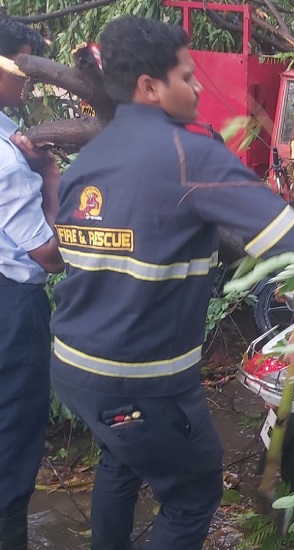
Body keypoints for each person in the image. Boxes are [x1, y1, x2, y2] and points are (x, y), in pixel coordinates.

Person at [49, 17, 294, 550]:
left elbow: (63, 254)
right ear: (149, 87)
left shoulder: (88, 160)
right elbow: (293, 245)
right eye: (187, 77)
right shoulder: (190, 154)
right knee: (192, 492)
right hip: (142, 379)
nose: (196, 88)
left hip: (73, 366)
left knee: (120, 460)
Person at [0, 18, 64, 550]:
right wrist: (51, 177)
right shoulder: (7, 159)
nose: (28, 81)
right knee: (14, 438)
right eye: (21, 65)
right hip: (11, 308)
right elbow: (50, 255)